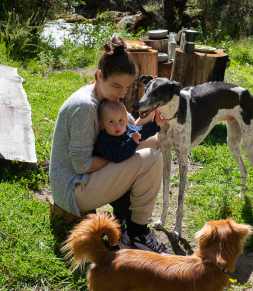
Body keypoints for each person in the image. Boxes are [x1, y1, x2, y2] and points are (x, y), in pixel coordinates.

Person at [49, 36, 168, 254]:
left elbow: (134, 130)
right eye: (116, 86)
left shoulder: (110, 99)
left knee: (153, 144)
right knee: (150, 159)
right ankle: (137, 234)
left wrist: (154, 115)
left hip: (86, 180)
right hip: (72, 188)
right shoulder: (85, 107)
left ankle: (123, 220)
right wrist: (120, 155)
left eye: (126, 87)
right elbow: (82, 165)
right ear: (100, 75)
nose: (121, 94)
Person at [94, 100, 164, 163]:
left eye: (121, 120)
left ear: (126, 120)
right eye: (111, 121)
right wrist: (132, 142)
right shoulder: (104, 140)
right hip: (111, 169)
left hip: (126, 160)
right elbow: (117, 156)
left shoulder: (126, 128)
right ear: (102, 125)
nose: (117, 125)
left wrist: (156, 124)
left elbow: (142, 131)